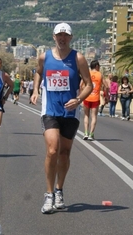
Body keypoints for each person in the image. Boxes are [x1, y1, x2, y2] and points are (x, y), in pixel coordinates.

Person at [30, 22, 93, 214]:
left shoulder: (78, 58)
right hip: (50, 110)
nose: (62, 38)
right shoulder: (44, 57)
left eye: (66, 35)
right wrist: (34, 91)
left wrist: (78, 100)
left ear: (71, 38)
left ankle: (59, 190)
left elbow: (89, 84)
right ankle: (49, 194)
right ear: (54, 37)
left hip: (70, 112)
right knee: (52, 150)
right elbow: (39, 74)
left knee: (64, 153)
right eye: (59, 35)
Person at [81, 59, 103, 141]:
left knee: (86, 115)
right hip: (95, 98)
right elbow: (107, 86)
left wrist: (81, 95)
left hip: (86, 97)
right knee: (94, 116)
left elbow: (81, 85)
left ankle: (85, 133)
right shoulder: (100, 75)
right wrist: (106, 96)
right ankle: (91, 134)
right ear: (97, 66)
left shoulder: (87, 74)